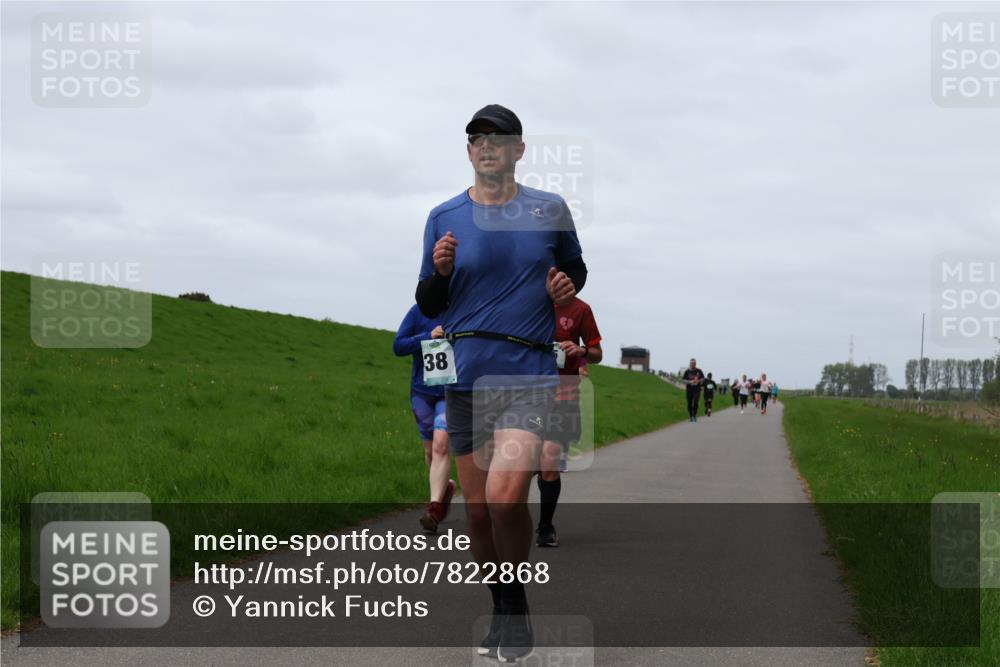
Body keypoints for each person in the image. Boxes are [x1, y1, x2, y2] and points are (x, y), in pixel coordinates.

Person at [415, 104, 587, 662]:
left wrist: (563, 287)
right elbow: (427, 303)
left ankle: (516, 608)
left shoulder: (549, 209)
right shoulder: (443, 216)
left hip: (528, 373)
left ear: (518, 150)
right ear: (468, 152)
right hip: (466, 377)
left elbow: (575, 268)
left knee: (507, 495)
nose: (487, 145)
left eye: (499, 137)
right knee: (480, 513)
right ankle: (506, 608)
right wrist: (440, 274)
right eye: (476, 138)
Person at [537, 296, 603, 548]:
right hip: (524, 391)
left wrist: (582, 351)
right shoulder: (527, 298)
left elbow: (597, 353)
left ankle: (545, 526)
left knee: (549, 458)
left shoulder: (581, 309)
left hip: (563, 395)